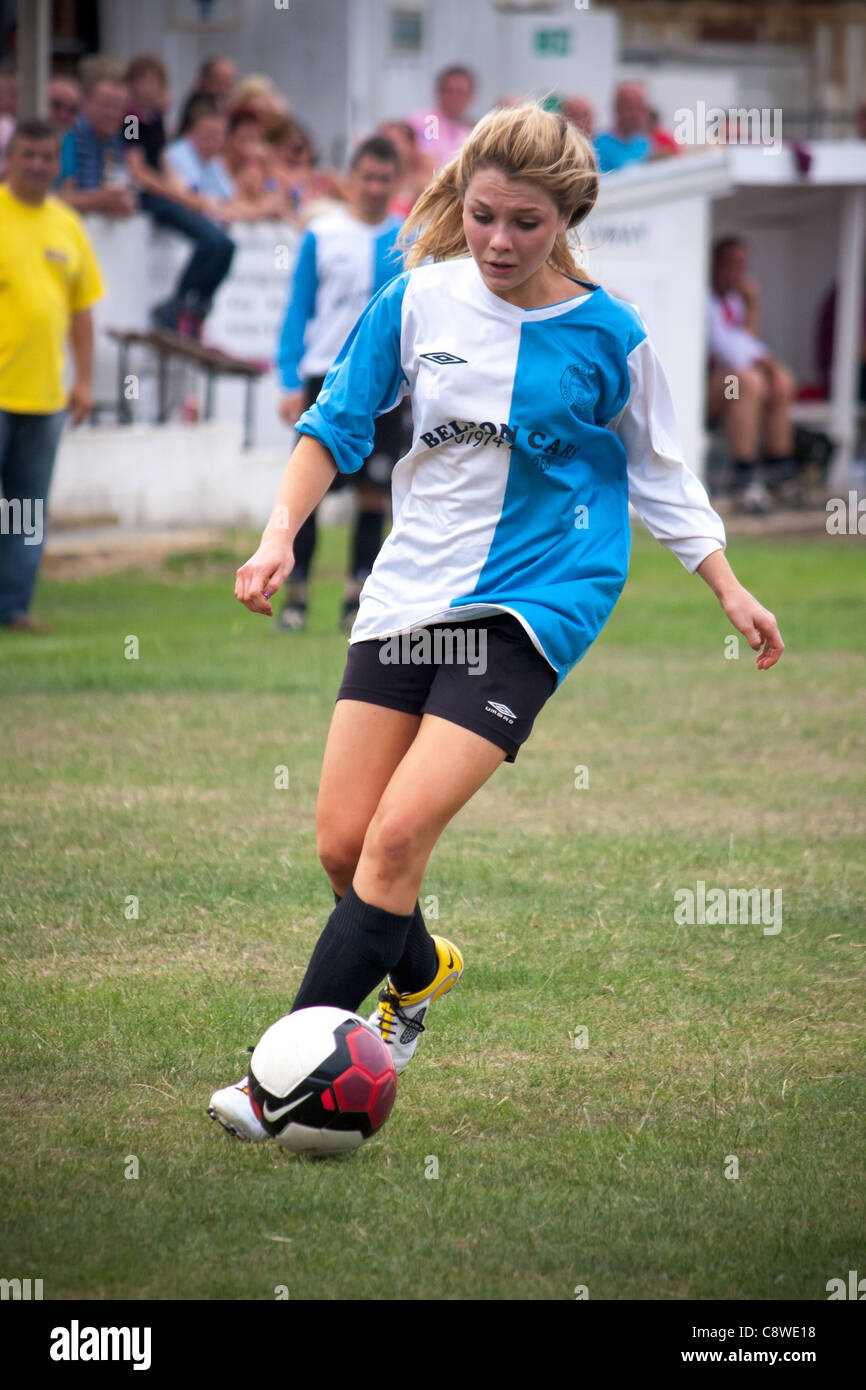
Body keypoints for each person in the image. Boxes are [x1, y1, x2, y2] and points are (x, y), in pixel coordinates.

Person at [210, 102, 784, 1142]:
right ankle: (419, 971)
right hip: (408, 590)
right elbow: (333, 423)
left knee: (394, 837)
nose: (497, 243)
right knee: (343, 845)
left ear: (564, 217)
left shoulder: (611, 334)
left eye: (525, 224)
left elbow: (657, 473)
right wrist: (277, 535)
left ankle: (279, 1080)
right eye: (481, 217)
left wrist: (727, 587)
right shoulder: (416, 300)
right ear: (460, 201)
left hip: (537, 600)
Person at [274, 134, 406, 632]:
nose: (374, 187)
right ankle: (296, 597)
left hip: (386, 388)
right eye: (367, 177)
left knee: (375, 493)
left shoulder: (409, 238)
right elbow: (298, 309)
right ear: (352, 179)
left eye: (384, 179)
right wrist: (289, 379)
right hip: (325, 378)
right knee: (309, 488)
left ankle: (358, 598)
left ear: (397, 182)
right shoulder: (323, 234)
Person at [0, 120, 104, 632]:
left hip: (42, 397)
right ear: (11, 157)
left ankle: (14, 606)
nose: (38, 165)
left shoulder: (66, 224)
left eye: (47, 157)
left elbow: (82, 312)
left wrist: (84, 380)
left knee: (25, 509)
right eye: (29, 155)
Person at [123, 55, 236, 337]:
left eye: (154, 82)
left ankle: (197, 305)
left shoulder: (155, 119)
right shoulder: (131, 119)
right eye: (143, 81)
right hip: (147, 197)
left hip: (164, 192)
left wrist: (180, 190)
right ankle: (178, 304)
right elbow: (138, 170)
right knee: (210, 240)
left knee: (224, 245)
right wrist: (176, 194)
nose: (149, 88)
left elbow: (161, 163)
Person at [707, 236, 799, 512]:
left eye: (742, 266)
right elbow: (730, 352)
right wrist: (754, 307)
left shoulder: (734, 302)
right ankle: (743, 475)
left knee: (779, 379)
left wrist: (774, 370)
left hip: (728, 388)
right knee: (746, 380)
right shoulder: (703, 298)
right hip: (701, 393)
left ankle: (778, 471)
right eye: (731, 265)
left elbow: (745, 344)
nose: (738, 273)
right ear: (715, 265)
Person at [55, 71, 137, 218]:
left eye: (118, 107)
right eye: (106, 105)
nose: (112, 114)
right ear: (85, 103)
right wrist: (103, 199)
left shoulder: (119, 139)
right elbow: (60, 199)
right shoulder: (69, 134)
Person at [408, 64, 476, 169]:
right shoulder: (425, 121)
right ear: (439, 92)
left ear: (471, 96)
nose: (454, 97)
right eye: (449, 91)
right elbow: (427, 155)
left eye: (460, 92)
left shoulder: (473, 130)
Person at [594, 82, 652, 173]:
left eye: (640, 107)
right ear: (617, 108)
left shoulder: (644, 143)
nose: (637, 114)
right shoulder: (598, 147)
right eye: (631, 107)